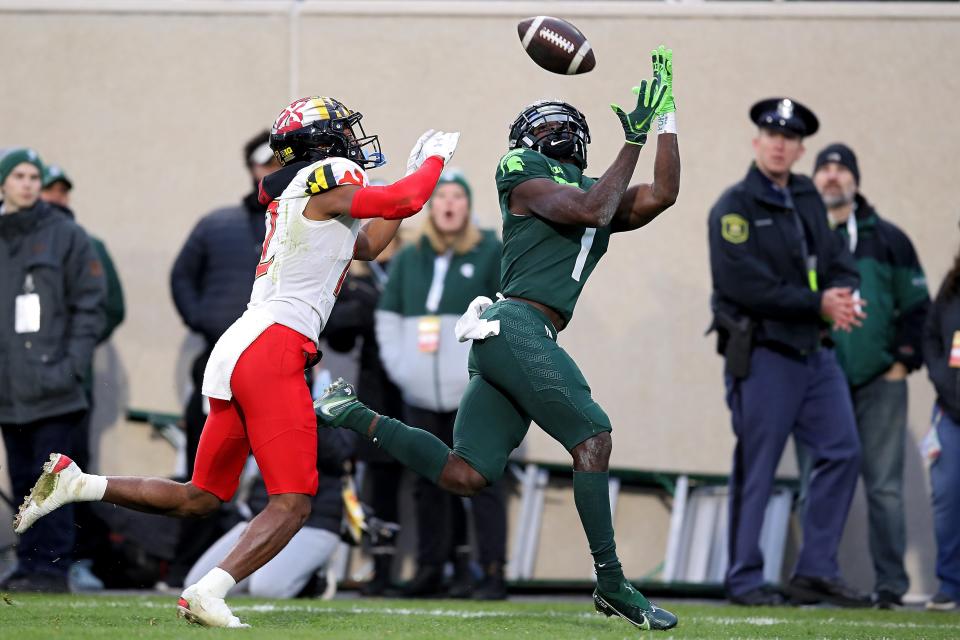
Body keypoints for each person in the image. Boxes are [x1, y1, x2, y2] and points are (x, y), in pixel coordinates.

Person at [14, 96, 460, 627]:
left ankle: (79, 483)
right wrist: (431, 164)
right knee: (293, 502)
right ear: (322, 143)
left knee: (201, 496)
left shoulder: (307, 189)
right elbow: (405, 203)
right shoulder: (329, 170)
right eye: (342, 131)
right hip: (273, 347)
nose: (353, 140)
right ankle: (208, 592)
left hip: (241, 345)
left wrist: (413, 176)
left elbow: (364, 246)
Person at [316, 46, 680, 631]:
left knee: (467, 474)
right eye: (547, 125)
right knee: (593, 438)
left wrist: (665, 122)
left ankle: (353, 414)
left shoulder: (598, 184)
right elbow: (592, 207)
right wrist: (631, 143)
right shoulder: (522, 170)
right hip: (517, 325)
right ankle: (612, 582)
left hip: (520, 334)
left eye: (565, 122)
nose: (557, 130)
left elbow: (661, 195)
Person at [708, 98, 870, 608]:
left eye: (789, 136)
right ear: (757, 142)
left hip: (814, 356)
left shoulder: (806, 196)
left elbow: (838, 259)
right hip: (764, 353)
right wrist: (817, 303)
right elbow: (743, 285)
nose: (779, 143)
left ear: (801, 148)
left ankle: (815, 571)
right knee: (758, 467)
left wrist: (845, 295)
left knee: (843, 451)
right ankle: (744, 578)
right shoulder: (734, 206)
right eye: (770, 133)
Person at [375, 169, 507, 599]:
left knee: (482, 480)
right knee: (426, 480)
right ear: (431, 207)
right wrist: (404, 370)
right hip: (419, 391)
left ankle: (488, 571)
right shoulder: (411, 256)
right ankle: (432, 567)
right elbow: (388, 318)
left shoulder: (489, 251)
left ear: (468, 206)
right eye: (442, 197)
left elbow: (508, 313)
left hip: (473, 391)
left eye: (457, 197)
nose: (449, 204)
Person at [810, 143, 930, 609]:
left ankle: (891, 587)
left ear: (856, 180)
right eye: (825, 169)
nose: (833, 177)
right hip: (819, 381)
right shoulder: (801, 234)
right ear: (814, 178)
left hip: (881, 380)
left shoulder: (889, 239)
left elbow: (918, 307)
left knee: (884, 488)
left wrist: (902, 362)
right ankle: (817, 579)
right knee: (817, 483)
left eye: (842, 170)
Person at [0, 148, 106, 592]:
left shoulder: (67, 235)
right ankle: (28, 564)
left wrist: (69, 367)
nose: (27, 183)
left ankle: (52, 569)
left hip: (56, 389)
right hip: (9, 389)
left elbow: (91, 308)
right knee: (23, 481)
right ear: (4, 184)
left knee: (54, 484)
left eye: (33, 176)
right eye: (18, 175)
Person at [170, 130, 278, 477]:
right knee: (206, 473)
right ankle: (202, 530)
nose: (272, 170)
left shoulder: (305, 223)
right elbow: (181, 276)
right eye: (266, 164)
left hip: (280, 365)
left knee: (273, 472)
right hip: (218, 362)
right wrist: (203, 318)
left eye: (280, 163)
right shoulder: (216, 224)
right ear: (252, 169)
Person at [40, 162, 126, 591]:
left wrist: (71, 355)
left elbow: (108, 309)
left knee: (70, 471)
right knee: (28, 474)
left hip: (71, 384)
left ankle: (68, 561)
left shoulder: (88, 244)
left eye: (62, 191)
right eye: (48, 190)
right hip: (16, 383)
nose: (56, 199)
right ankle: (32, 561)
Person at [322, 244, 406, 597]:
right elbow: (336, 335)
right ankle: (383, 568)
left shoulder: (412, 266)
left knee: (434, 481)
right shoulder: (356, 279)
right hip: (379, 391)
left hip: (420, 389)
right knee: (380, 482)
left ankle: (446, 566)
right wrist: (360, 308)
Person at [184, 427, 355, 599]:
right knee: (198, 586)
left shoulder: (333, 400)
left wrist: (308, 413)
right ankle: (264, 573)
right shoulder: (274, 402)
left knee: (266, 590)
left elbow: (340, 452)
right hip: (263, 516)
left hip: (313, 520)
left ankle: (315, 579)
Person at [921, 237, 960, 612]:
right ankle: (950, 584)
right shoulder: (952, 287)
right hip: (951, 413)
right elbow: (931, 338)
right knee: (947, 499)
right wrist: (942, 381)